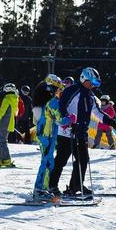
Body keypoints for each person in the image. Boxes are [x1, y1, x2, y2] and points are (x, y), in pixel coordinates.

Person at [50, 68, 101, 196]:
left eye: (95, 83)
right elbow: (61, 108)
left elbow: (98, 112)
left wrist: (111, 121)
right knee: (61, 159)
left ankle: (76, 186)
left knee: (83, 159)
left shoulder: (90, 96)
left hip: (81, 133)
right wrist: (69, 122)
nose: (93, 85)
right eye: (91, 82)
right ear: (84, 79)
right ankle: (52, 185)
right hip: (67, 132)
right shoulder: (71, 90)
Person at [32, 75, 66, 200]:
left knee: (49, 161)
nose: (58, 92)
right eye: (57, 89)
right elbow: (58, 119)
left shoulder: (45, 100)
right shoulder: (49, 102)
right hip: (46, 134)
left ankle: (44, 188)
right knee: (46, 161)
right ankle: (39, 189)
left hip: (49, 133)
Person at [0, 83, 20, 167]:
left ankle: (6, 159)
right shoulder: (15, 98)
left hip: (5, 122)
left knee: (1, 139)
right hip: (10, 122)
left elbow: (2, 111)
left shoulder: (7, 98)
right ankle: (0, 158)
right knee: (1, 139)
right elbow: (13, 112)